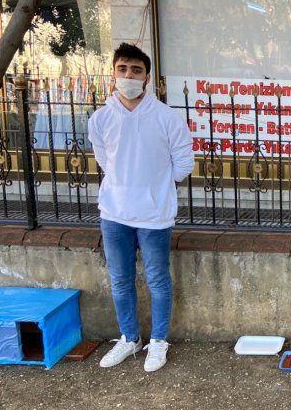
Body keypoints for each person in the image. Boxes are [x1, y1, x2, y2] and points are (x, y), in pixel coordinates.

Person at [89, 43, 194, 372]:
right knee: (120, 280)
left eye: (136, 70)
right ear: (113, 73)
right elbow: (106, 161)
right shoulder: (102, 118)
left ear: (147, 77)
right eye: (123, 69)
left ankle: (158, 341)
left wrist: (158, 187)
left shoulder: (165, 117)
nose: (129, 76)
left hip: (154, 214)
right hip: (114, 213)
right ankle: (129, 338)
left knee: (157, 279)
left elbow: (183, 162)